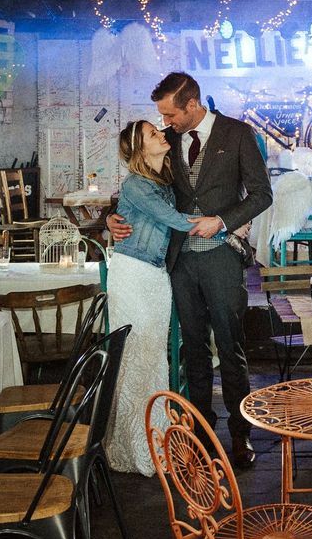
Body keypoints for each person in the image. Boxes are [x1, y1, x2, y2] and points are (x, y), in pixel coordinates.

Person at [107, 72, 272, 468]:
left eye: (170, 114)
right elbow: (138, 189)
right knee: (193, 352)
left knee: (230, 349)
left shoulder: (237, 134)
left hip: (221, 259)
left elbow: (263, 194)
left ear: (192, 105)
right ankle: (200, 436)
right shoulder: (169, 142)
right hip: (179, 263)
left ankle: (240, 436)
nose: (165, 123)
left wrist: (224, 220)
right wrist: (110, 220)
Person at [103, 120, 201, 475]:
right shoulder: (136, 184)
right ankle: (137, 447)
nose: (161, 135)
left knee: (154, 360)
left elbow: (125, 212)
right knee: (136, 358)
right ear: (140, 149)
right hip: (132, 275)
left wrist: (109, 219)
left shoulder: (163, 181)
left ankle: (155, 439)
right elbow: (175, 220)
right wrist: (228, 228)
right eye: (152, 134)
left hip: (157, 277)